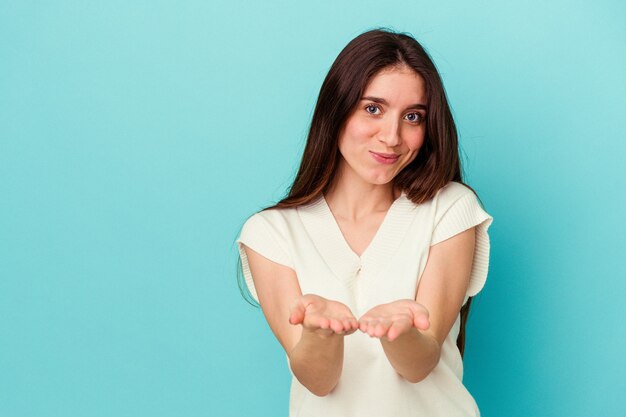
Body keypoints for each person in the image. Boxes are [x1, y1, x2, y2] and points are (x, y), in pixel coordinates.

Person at [235, 28, 494, 417]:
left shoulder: (450, 209)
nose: (392, 137)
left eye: (412, 116)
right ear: (336, 110)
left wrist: (403, 331)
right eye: (372, 108)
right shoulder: (271, 233)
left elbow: (419, 365)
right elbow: (318, 381)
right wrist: (319, 334)